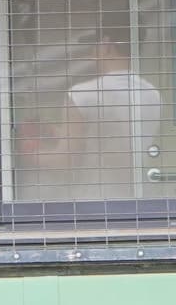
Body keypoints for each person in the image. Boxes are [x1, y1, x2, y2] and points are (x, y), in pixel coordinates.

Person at [63, 32, 163, 199]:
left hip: (96, 201)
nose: (91, 54)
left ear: (106, 45)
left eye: (94, 46)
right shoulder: (152, 93)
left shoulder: (81, 94)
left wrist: (31, 153)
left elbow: (65, 160)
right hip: (141, 200)